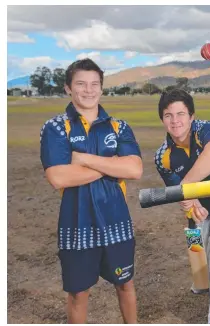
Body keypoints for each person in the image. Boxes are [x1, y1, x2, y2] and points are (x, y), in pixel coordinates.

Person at [39, 58, 143, 323]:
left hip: (116, 221)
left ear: (102, 88)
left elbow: (135, 169)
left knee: (125, 284)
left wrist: (84, 159)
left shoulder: (119, 126)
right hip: (77, 224)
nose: (88, 90)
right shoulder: (55, 127)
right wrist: (112, 165)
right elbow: (58, 176)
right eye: (81, 84)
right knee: (78, 293)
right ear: (68, 88)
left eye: (94, 84)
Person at [154, 89, 210, 324]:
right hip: (201, 214)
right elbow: (178, 194)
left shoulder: (206, 129)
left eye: (181, 114)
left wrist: (186, 187)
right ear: (162, 119)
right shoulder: (162, 156)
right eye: (168, 115)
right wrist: (191, 203)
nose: (175, 121)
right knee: (204, 259)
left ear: (192, 116)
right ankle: (206, 287)